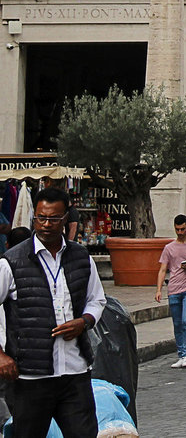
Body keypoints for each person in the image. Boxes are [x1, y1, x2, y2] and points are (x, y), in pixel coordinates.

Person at [0, 187, 106, 438]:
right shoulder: (11, 261)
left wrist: (84, 321)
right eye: (41, 218)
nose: (46, 224)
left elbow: (97, 299)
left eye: (54, 219)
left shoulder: (81, 257)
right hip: (30, 377)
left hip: (75, 372)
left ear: (66, 219)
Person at [153, 214, 186, 368]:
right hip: (173, 288)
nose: (180, 232)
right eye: (177, 229)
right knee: (177, 323)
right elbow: (163, 269)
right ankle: (181, 354)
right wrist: (158, 289)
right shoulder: (169, 247)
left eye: (183, 229)